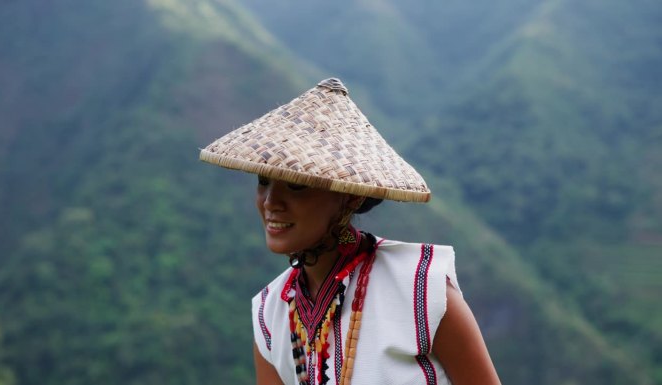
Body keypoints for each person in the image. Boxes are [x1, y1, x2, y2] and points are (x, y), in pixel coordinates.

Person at [200, 78, 501, 385]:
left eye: (296, 185)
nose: (270, 202)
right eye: (263, 181)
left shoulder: (421, 289)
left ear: (350, 196)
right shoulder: (270, 313)